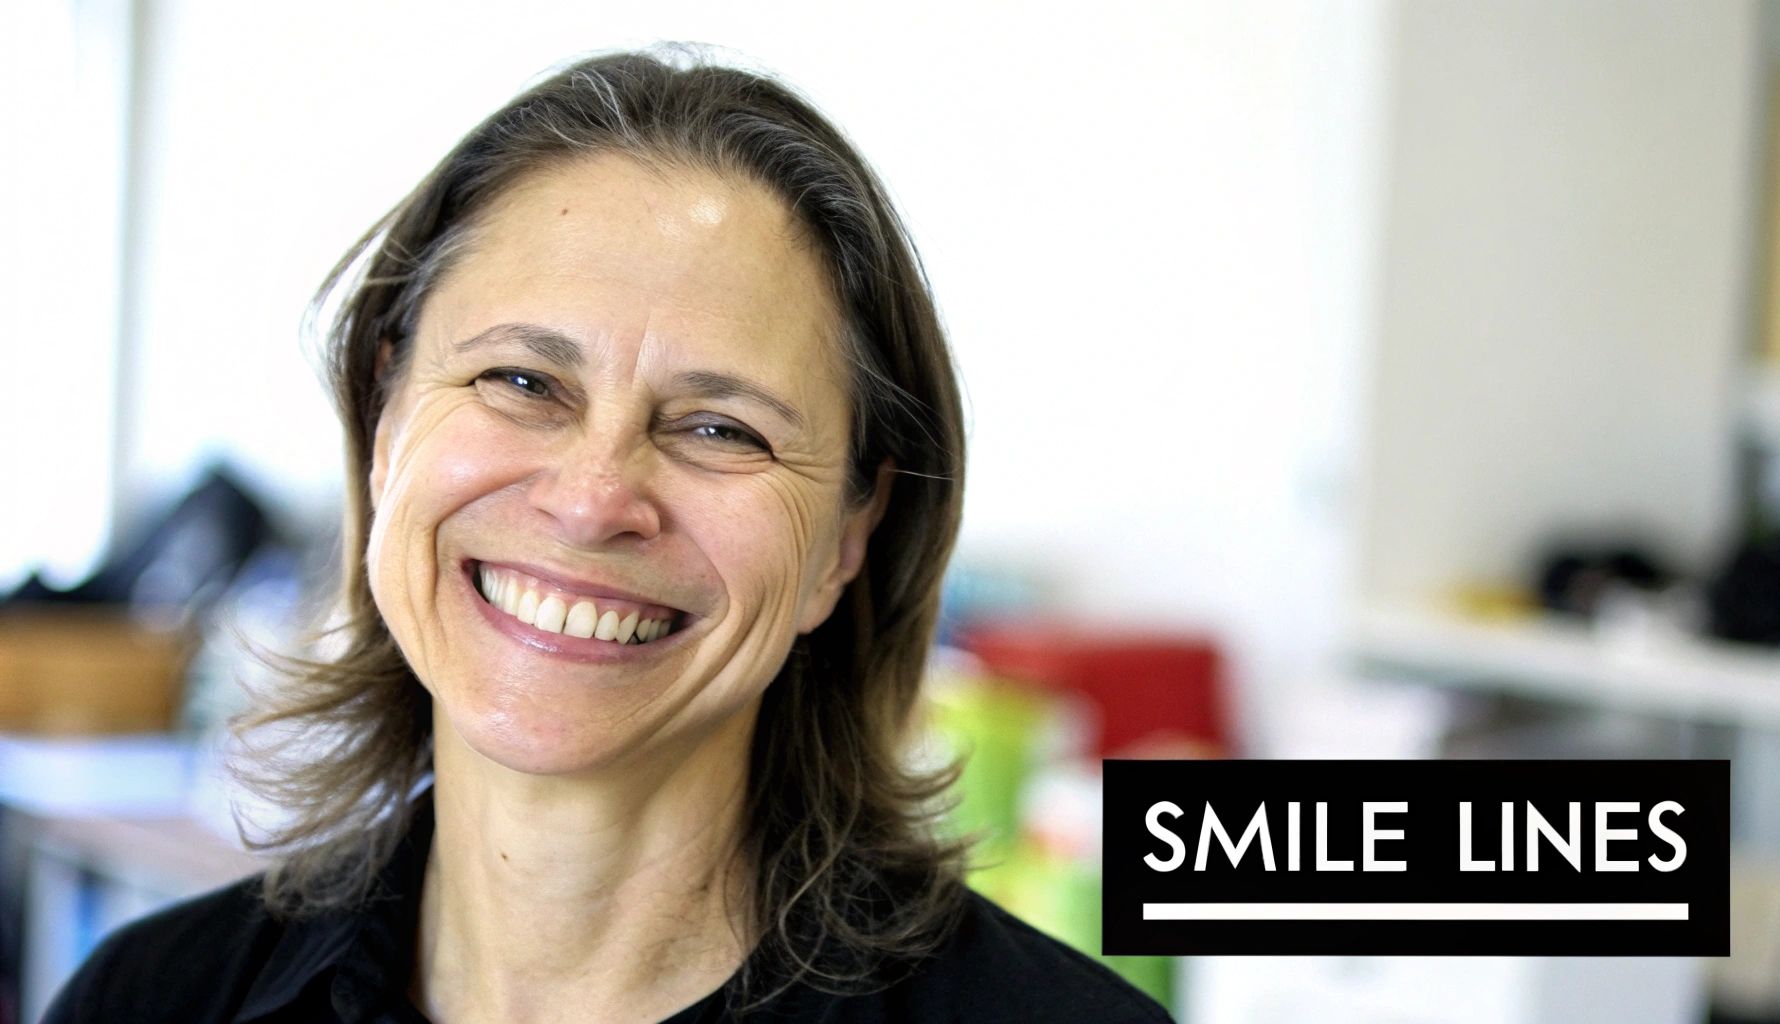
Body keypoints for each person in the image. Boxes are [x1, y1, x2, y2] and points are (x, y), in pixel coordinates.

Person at [44, 49, 1173, 1024]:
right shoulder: (151, 998)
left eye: (719, 427)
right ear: (385, 421)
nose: (591, 499)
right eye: (522, 379)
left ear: (849, 535)